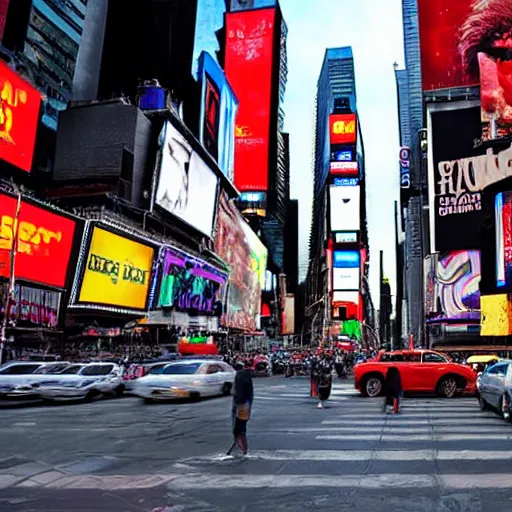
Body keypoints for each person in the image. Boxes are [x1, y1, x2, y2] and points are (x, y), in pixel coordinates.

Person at [229, 359, 254, 455]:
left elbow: (238, 392)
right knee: (241, 427)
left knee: (238, 427)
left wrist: (237, 405)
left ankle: (241, 446)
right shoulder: (247, 376)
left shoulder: (239, 376)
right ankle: (242, 446)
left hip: (240, 404)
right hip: (246, 404)